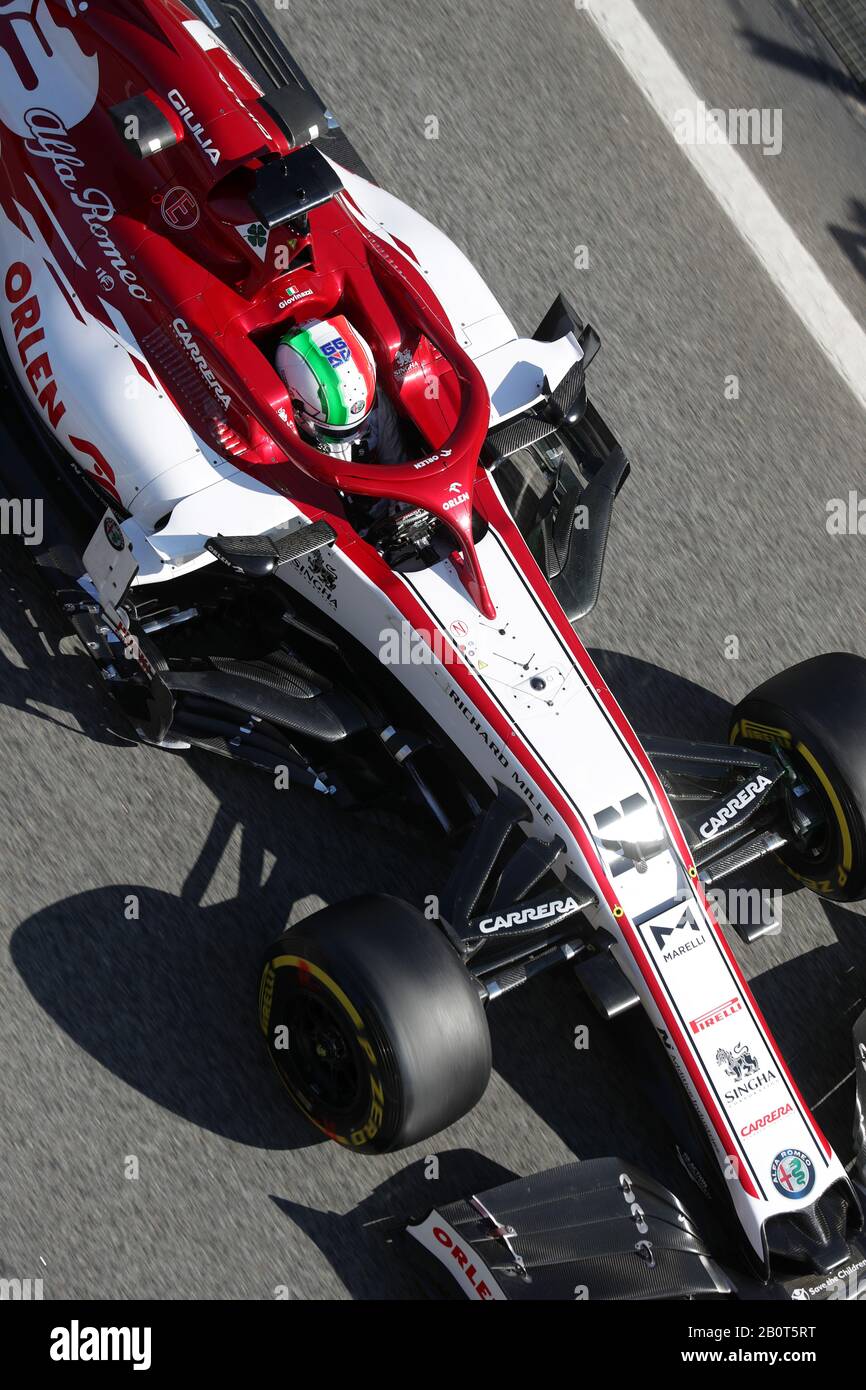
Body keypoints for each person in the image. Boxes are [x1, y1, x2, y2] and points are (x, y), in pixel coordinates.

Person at [276, 315, 406, 464]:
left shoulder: (373, 401)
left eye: (358, 424)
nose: (357, 434)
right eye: (339, 432)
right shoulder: (285, 424)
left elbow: (395, 460)